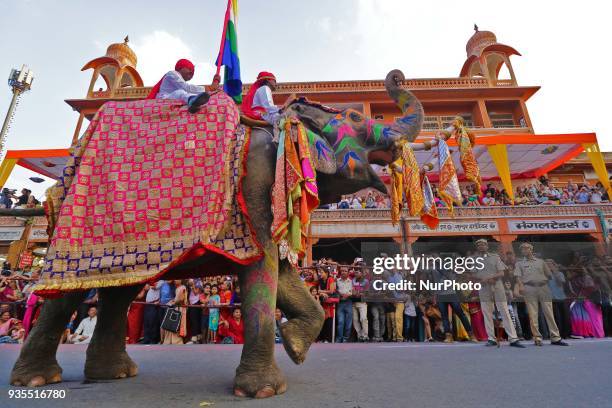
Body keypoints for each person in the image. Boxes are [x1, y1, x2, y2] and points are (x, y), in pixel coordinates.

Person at [471, 239, 525, 348]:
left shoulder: (495, 257)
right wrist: (484, 279)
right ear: (477, 247)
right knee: (487, 313)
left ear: (487, 246)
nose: (481, 246)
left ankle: (513, 338)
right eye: (479, 245)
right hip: (484, 287)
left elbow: (501, 272)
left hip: (497, 285)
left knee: (504, 310)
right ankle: (491, 338)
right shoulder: (473, 259)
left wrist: (491, 278)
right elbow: (472, 275)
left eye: (483, 244)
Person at [514, 243, 568, 346]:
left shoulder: (541, 262)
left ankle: (555, 337)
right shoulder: (519, 263)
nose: (524, 251)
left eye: (526, 249)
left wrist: (542, 280)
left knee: (549, 313)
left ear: (531, 249)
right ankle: (537, 338)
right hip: (529, 287)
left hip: (543, 287)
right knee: (533, 314)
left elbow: (549, 275)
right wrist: (521, 286)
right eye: (522, 249)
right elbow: (517, 277)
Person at [146, 59, 211, 113]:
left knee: (184, 93)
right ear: (181, 67)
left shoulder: (180, 81)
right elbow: (186, 88)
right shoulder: (172, 74)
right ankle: (192, 101)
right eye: (190, 69)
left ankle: (194, 104)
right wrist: (208, 88)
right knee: (180, 92)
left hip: (172, 99)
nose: (191, 73)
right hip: (163, 100)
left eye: (193, 73)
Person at [351, 266, 369, 342]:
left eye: (357, 272)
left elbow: (367, 292)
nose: (356, 273)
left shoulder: (365, 281)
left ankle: (365, 336)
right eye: (355, 272)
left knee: (363, 319)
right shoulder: (353, 280)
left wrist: (360, 293)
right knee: (355, 320)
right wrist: (353, 292)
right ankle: (359, 336)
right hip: (353, 302)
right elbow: (352, 290)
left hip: (362, 302)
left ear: (361, 273)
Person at [335, 267, 353, 343]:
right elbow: (335, 290)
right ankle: (339, 338)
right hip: (340, 302)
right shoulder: (337, 281)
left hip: (349, 302)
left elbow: (353, 291)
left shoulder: (351, 281)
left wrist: (348, 295)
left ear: (348, 272)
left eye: (345, 271)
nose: (343, 272)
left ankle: (346, 338)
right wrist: (340, 294)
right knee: (340, 322)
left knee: (348, 322)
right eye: (342, 271)